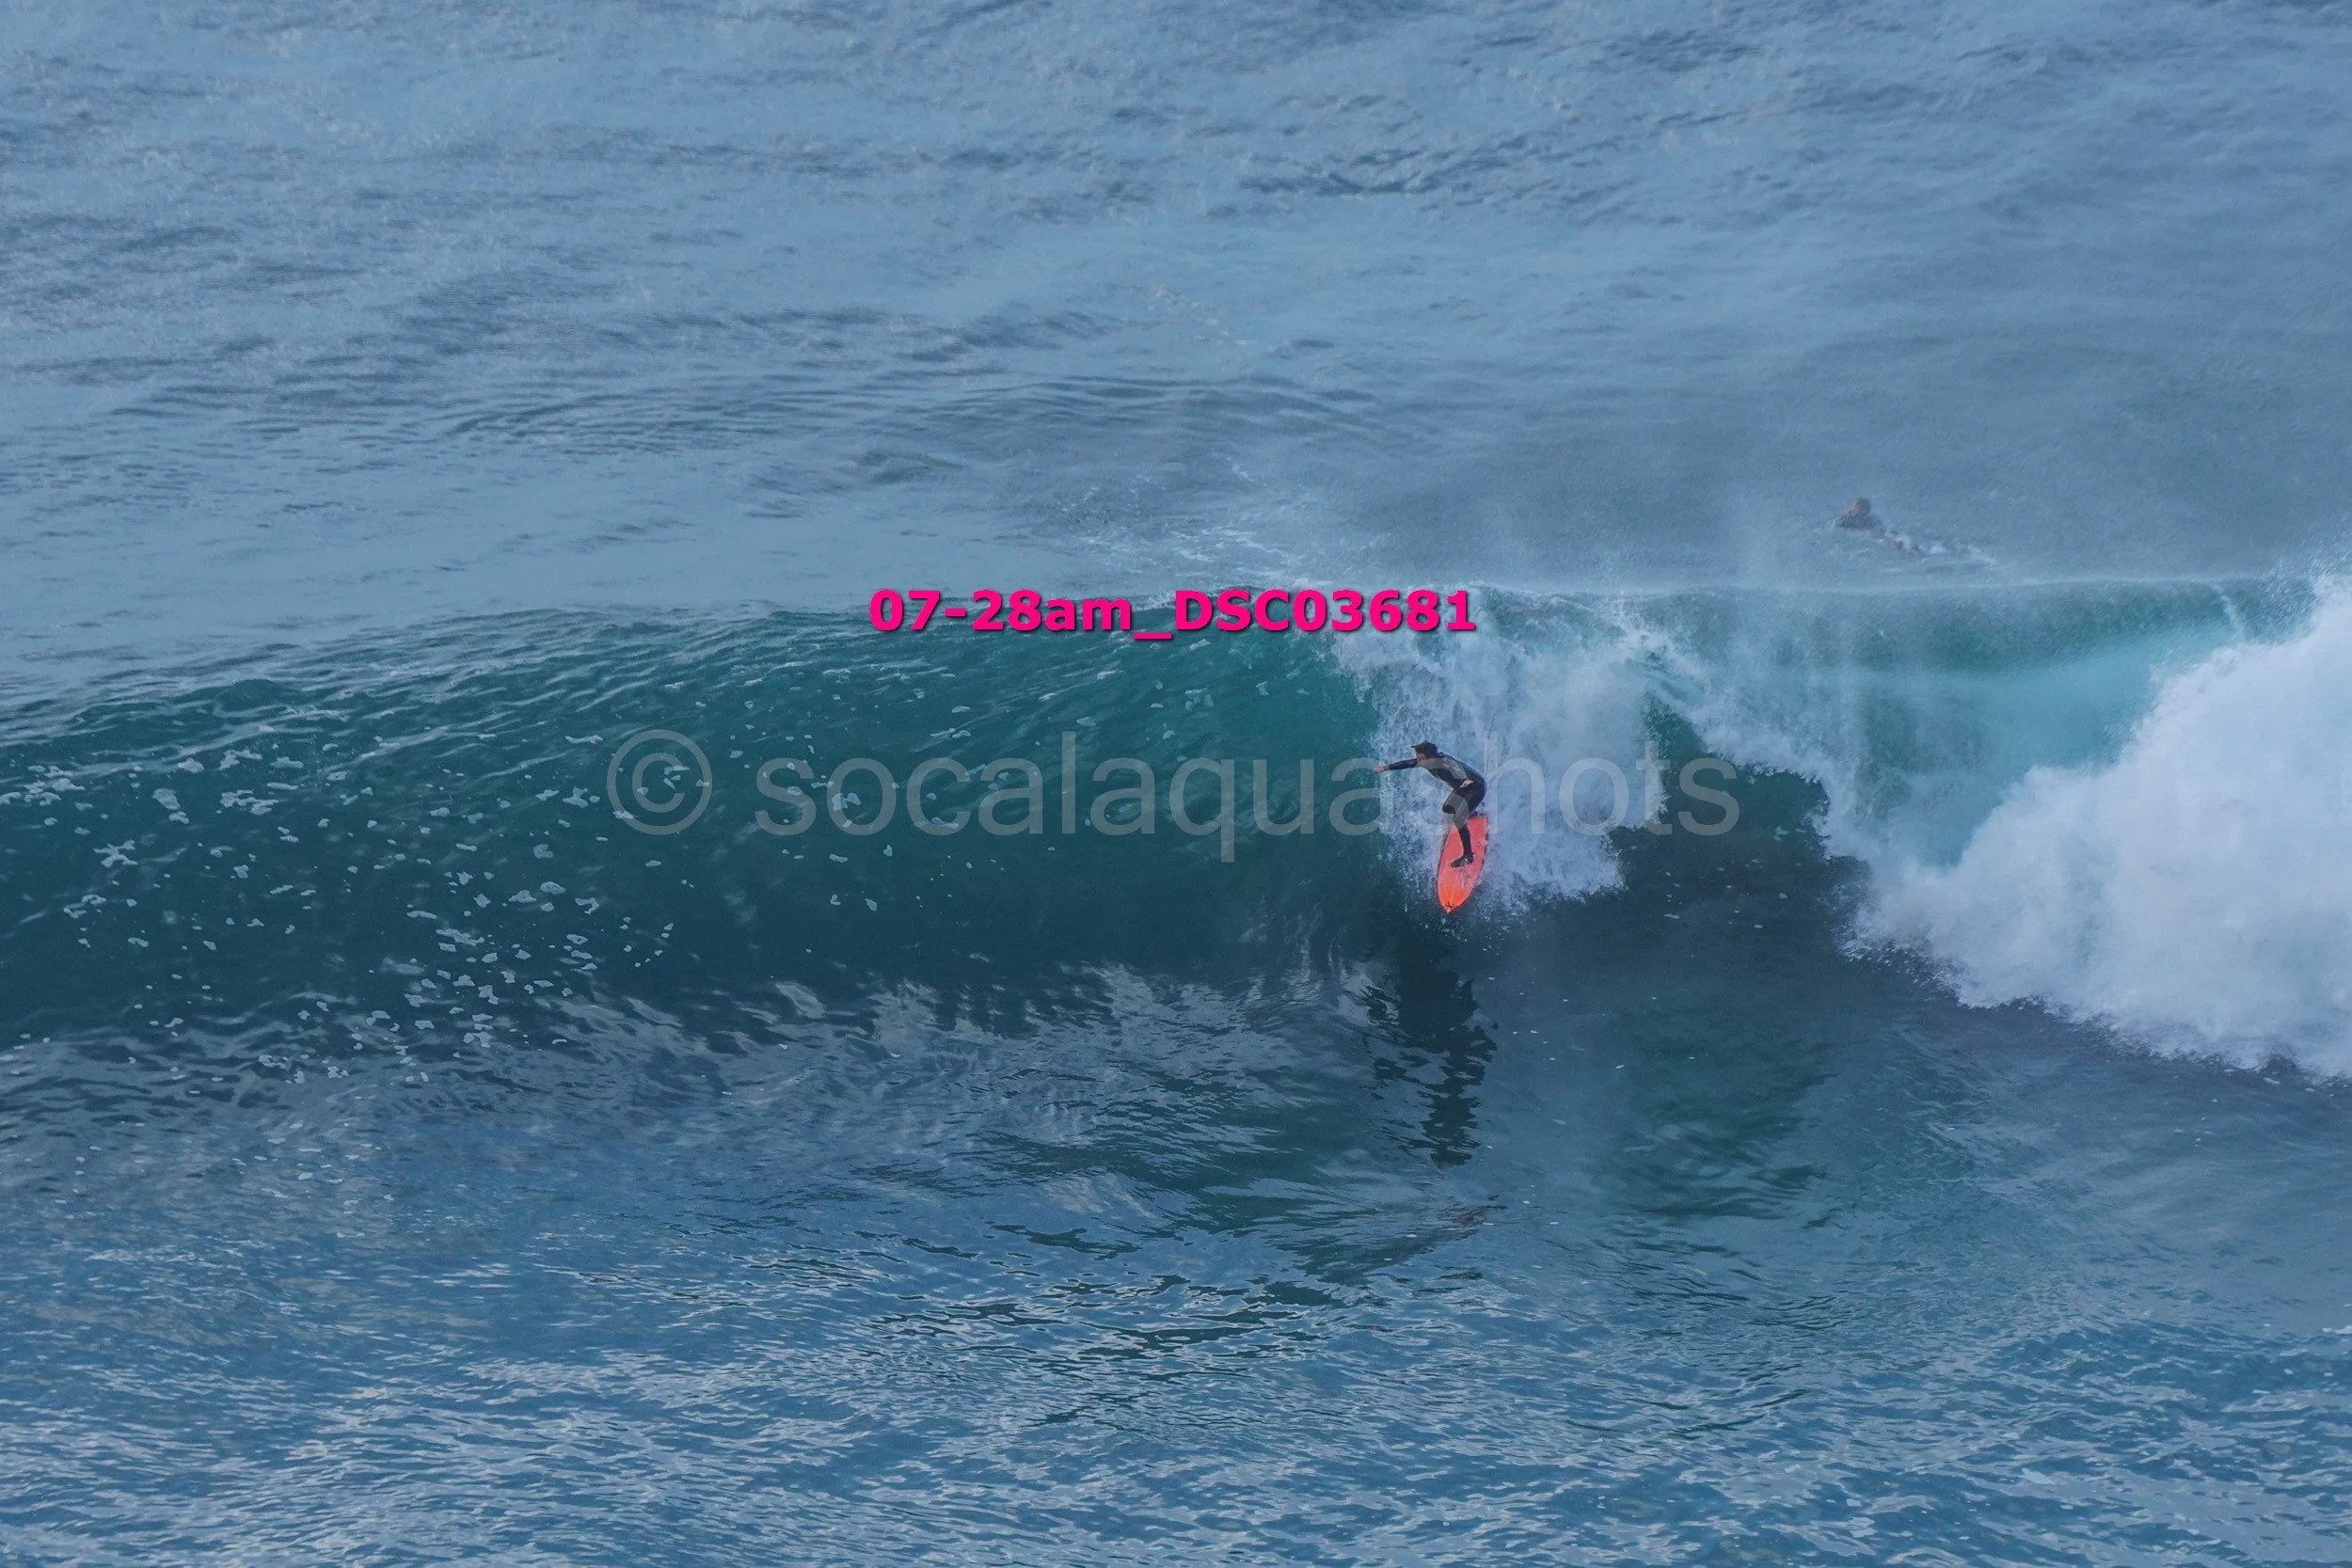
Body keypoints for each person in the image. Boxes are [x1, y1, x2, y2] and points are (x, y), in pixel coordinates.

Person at [1376, 742, 1486, 866]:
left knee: (1458, 819)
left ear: (1431, 757)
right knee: (1448, 808)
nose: (1418, 761)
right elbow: (1408, 763)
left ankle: (1468, 856)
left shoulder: (1445, 763)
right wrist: (1384, 768)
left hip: (1476, 788)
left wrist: (1465, 779)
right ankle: (1471, 812)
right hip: (1463, 789)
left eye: (1420, 758)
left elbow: (1455, 767)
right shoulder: (1426, 762)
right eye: (1417, 757)